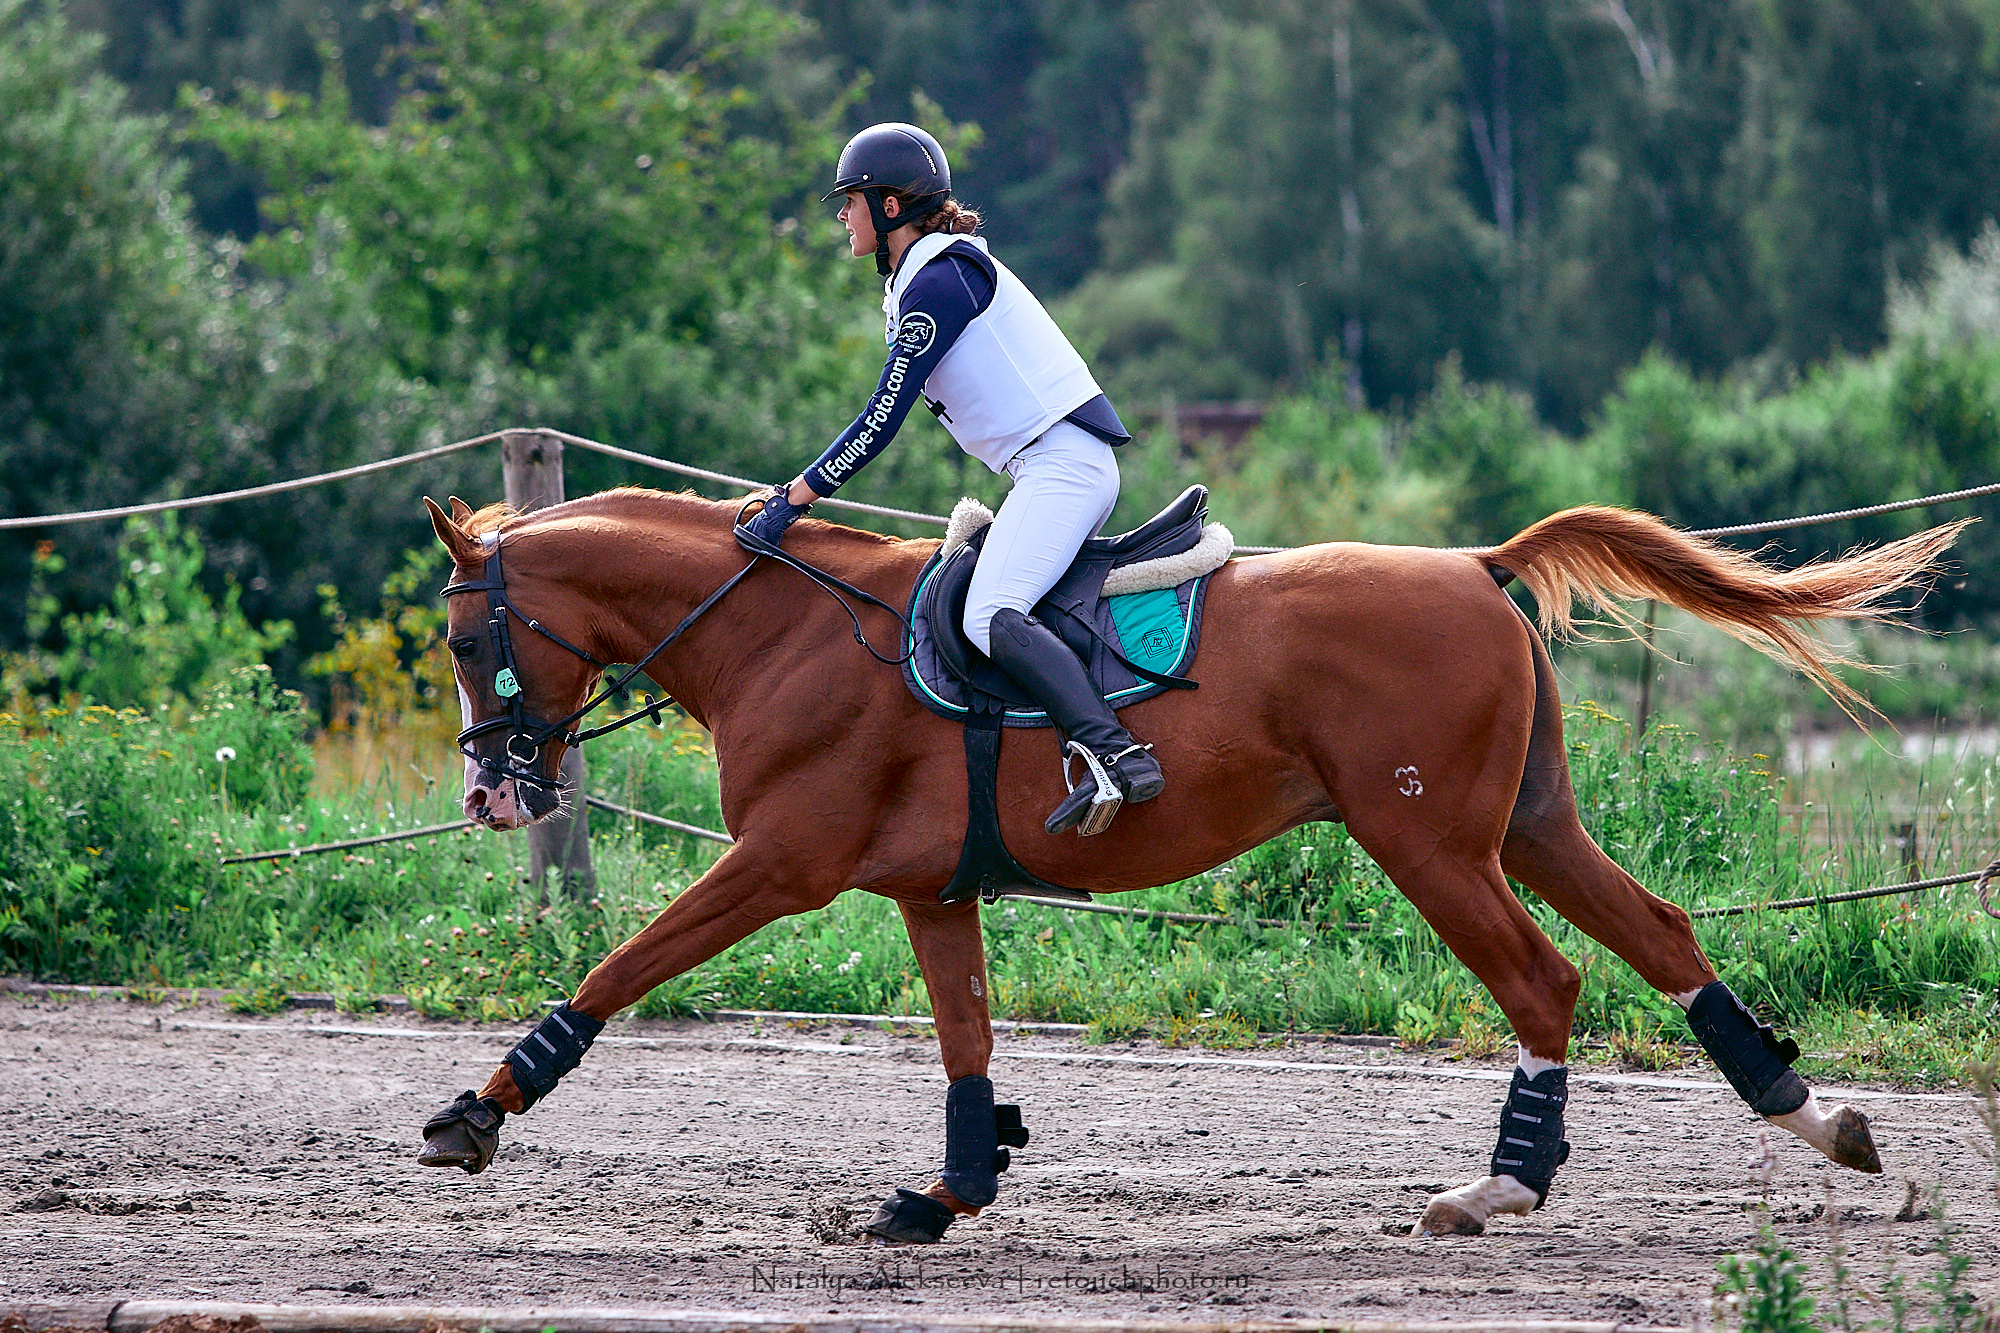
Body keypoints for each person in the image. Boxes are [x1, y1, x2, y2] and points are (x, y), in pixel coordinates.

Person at [739, 121, 1163, 837]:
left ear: (892, 206)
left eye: (852, 200)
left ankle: (1117, 754)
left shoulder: (941, 280)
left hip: (1062, 467)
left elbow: (882, 417)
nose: (842, 214)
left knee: (987, 613)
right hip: (1047, 467)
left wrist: (795, 498)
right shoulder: (926, 275)